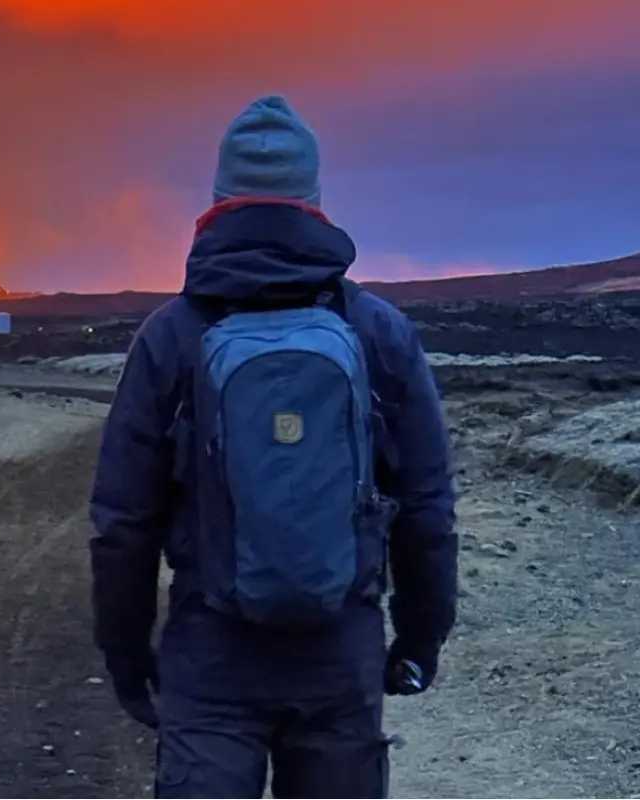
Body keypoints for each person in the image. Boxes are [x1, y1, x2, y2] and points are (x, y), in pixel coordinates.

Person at [88, 94, 458, 799]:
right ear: (313, 202)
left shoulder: (171, 337)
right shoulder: (377, 333)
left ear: (219, 201)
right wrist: (419, 637)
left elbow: (122, 525)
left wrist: (127, 651)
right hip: (338, 656)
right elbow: (427, 510)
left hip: (211, 660)